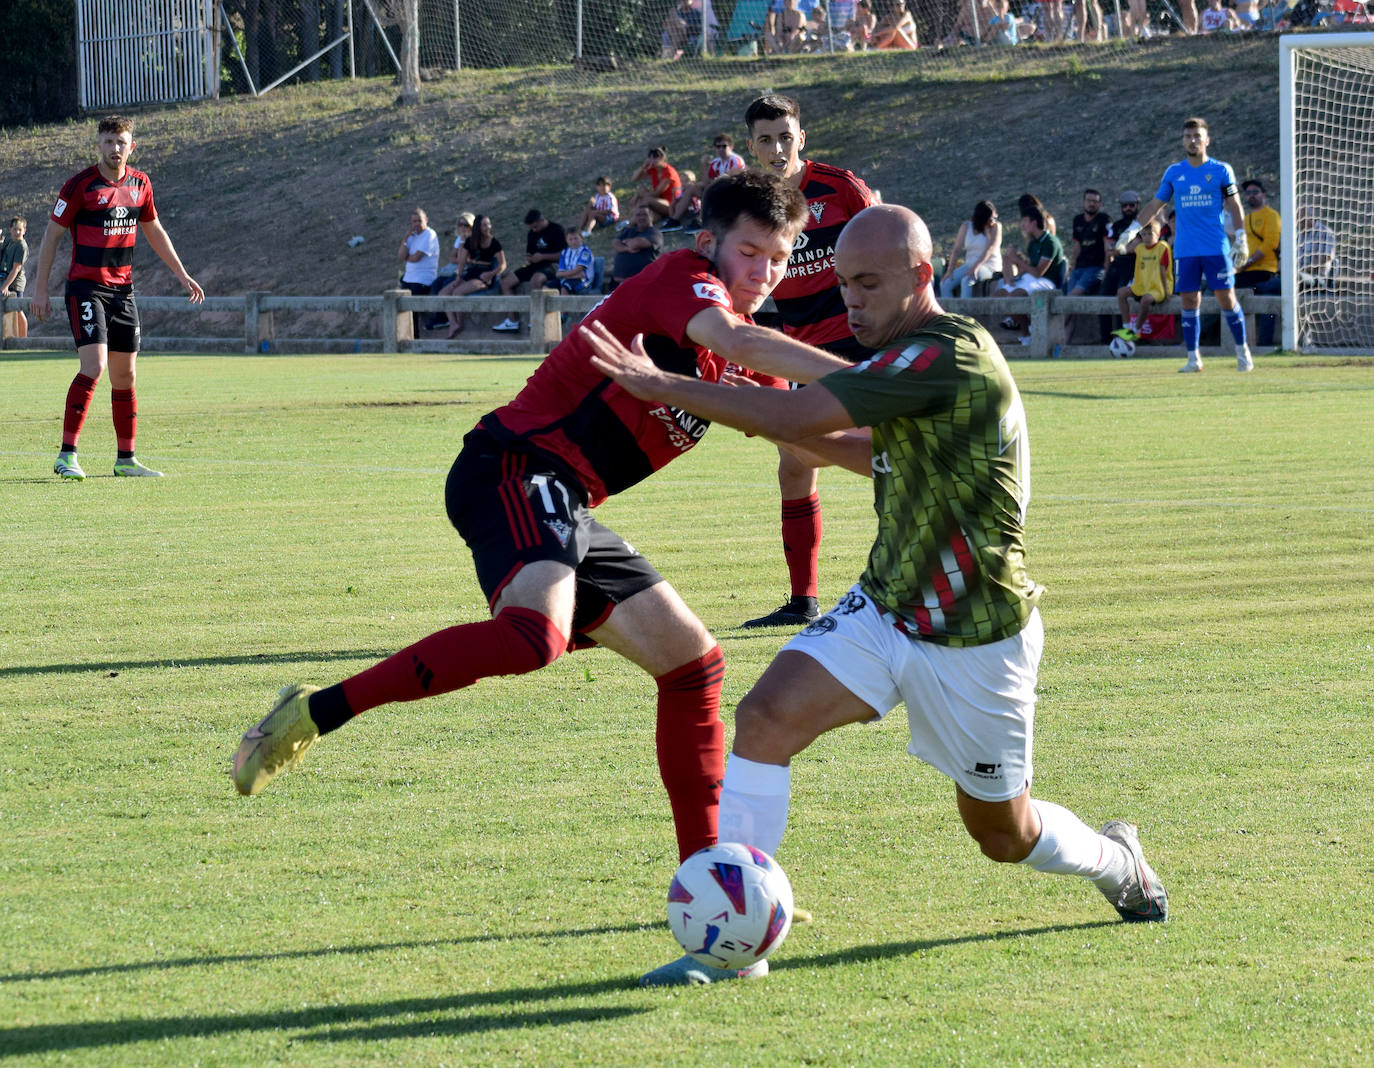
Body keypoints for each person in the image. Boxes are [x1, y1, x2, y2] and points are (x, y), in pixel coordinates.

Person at [581, 203, 1170, 988]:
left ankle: (1115, 861)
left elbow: (796, 412)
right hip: (887, 606)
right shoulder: (904, 360)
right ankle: (735, 945)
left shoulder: (949, 356)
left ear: (921, 277)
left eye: (867, 284)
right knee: (762, 718)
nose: (850, 301)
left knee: (1003, 832)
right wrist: (752, 414)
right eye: (842, 284)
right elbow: (864, 453)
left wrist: (665, 385)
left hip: (974, 633)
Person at [231, 170, 845, 893]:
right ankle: (312, 712)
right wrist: (870, 376)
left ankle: (708, 883)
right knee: (535, 638)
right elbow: (737, 335)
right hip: (511, 467)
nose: (766, 272)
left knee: (693, 665)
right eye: (751, 252)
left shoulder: (739, 350)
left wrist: (901, 443)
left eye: (781, 257)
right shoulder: (683, 281)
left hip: (569, 500)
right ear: (711, 243)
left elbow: (804, 437)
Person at [741, 93, 878, 629]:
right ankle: (804, 600)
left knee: (891, 455)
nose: (777, 148)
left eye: (785, 137)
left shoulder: (840, 188)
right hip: (802, 354)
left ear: (802, 138)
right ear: (752, 148)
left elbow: (885, 242)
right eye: (765, 140)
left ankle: (923, 576)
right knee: (795, 466)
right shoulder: (751, 206)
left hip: (861, 342)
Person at [29, 114, 203, 481]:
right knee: (95, 366)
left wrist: (182, 273)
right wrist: (40, 287)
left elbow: (154, 229)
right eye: (108, 141)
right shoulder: (79, 186)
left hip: (123, 292)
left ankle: (126, 459)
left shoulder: (141, 184)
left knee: (126, 376)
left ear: (131, 146)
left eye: (121, 141)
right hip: (86, 289)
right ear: (98, 145)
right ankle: (67, 455)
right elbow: (51, 236)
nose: (114, 148)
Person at [1131, 117, 1252, 373]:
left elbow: (1234, 204)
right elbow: (1156, 204)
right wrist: (1133, 228)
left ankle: (1243, 352)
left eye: (1197, 136)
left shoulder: (1221, 170)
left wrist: (1241, 236)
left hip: (1215, 247)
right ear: (1182, 140)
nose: (1193, 140)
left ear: (1207, 140)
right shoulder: (1175, 172)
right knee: (1188, 300)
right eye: (1188, 136)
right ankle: (1193, 358)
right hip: (1185, 249)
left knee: (1226, 298)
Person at [993, 205, 1066, 346]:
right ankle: (1025, 332)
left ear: (1034, 222)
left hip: (1046, 282)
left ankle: (1028, 333)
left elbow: (1038, 272)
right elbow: (1027, 269)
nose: (1022, 225)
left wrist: (1018, 260)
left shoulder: (1050, 242)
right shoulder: (1032, 243)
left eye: (1025, 221)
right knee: (998, 295)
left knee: (1015, 296)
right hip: (1031, 279)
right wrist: (1009, 264)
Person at [493, 209, 566, 334]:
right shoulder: (531, 233)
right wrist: (530, 257)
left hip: (552, 265)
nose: (534, 230)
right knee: (506, 282)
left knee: (536, 280)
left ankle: (537, 318)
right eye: (532, 228)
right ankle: (512, 320)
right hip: (534, 265)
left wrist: (543, 257)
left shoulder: (557, 230)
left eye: (536, 227)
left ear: (542, 220)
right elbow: (530, 252)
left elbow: (564, 255)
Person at [662, 134, 747, 233]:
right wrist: (704, 165)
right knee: (692, 188)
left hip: (732, 192)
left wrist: (711, 183)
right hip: (718, 189)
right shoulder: (716, 162)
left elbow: (731, 179)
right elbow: (705, 181)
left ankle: (701, 220)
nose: (721, 149)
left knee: (706, 190)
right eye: (718, 146)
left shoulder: (735, 160)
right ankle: (675, 220)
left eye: (724, 146)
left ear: (731, 147)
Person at [439, 214, 505, 338]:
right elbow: (462, 261)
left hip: (484, 275)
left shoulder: (494, 242)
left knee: (457, 293)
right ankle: (452, 323)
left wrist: (491, 274)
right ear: (478, 227)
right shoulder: (470, 241)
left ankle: (460, 323)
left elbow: (503, 265)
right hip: (471, 273)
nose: (488, 227)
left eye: (488, 224)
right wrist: (458, 277)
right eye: (484, 225)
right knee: (443, 292)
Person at [1112, 217, 1174, 343]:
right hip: (1142, 285)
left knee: (1145, 300)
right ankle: (1127, 327)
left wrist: (1167, 292)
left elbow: (1163, 271)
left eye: (1150, 234)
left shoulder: (1163, 247)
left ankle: (1136, 330)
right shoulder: (1140, 248)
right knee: (1121, 293)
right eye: (1144, 234)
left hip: (1158, 287)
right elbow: (1123, 250)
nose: (1146, 237)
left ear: (1158, 235)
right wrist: (1122, 244)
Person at [939, 200, 1003, 299]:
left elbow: (990, 249)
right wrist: (950, 270)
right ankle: (949, 313)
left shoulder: (996, 227)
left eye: (995, 217)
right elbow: (957, 249)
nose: (993, 221)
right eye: (991, 218)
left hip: (989, 266)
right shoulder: (966, 226)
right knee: (945, 283)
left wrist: (976, 267)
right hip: (970, 264)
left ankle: (964, 313)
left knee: (966, 280)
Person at [1233, 179, 1280, 291]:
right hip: (1244, 270)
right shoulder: (1246, 218)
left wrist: (1249, 262)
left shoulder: (1271, 215)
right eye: (1248, 193)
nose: (1252, 195)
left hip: (1263, 269)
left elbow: (1270, 243)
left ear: (1263, 194)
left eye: (1255, 192)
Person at [608, 205, 664, 290]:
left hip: (641, 284)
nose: (641, 217)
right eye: (638, 215)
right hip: (618, 283)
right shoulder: (629, 231)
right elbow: (615, 243)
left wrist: (625, 242)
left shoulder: (654, 233)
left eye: (644, 214)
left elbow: (637, 243)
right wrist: (626, 248)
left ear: (651, 216)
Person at [629, 146, 683, 224]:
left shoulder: (669, 172)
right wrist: (643, 167)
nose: (651, 161)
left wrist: (641, 195)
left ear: (662, 158)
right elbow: (634, 179)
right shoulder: (653, 170)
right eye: (650, 158)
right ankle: (638, 219)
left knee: (646, 199)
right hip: (659, 202)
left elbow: (657, 193)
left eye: (654, 158)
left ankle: (632, 221)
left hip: (672, 205)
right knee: (641, 190)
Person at [1, 216, 28, 339]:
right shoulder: (8, 241)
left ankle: (23, 340)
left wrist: (5, 286)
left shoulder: (21, 246)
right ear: (10, 230)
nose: (17, 232)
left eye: (20, 229)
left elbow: (16, 268)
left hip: (15, 282)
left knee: (18, 309)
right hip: (5, 278)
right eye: (15, 229)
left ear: (24, 231)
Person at [553, 226, 596, 293]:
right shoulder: (565, 252)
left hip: (583, 281)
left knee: (565, 287)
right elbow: (559, 273)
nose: (573, 242)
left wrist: (564, 275)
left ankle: (565, 303)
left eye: (576, 238)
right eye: (570, 239)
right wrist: (568, 276)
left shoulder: (585, 251)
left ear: (581, 238)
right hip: (570, 278)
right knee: (548, 286)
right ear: (566, 240)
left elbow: (578, 270)